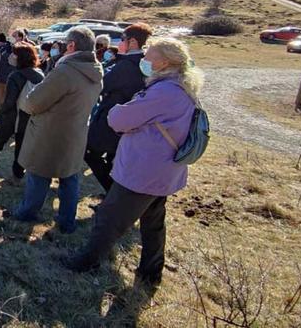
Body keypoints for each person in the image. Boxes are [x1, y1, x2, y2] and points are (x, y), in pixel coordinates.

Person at [66, 38, 203, 287]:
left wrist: (116, 109)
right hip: (162, 170)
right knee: (153, 222)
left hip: (143, 170)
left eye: (148, 57)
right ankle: (150, 273)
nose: (144, 61)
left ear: (164, 62)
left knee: (109, 217)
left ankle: (87, 261)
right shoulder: (181, 87)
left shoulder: (163, 92)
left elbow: (119, 119)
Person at [7, 26, 102, 233]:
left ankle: (27, 212)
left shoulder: (65, 71)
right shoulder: (96, 70)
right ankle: (67, 221)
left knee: (38, 173)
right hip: (76, 132)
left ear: (71, 45)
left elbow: (33, 103)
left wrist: (27, 100)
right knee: (70, 176)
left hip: (50, 133)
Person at [84, 23, 153, 192]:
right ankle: (114, 195)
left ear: (133, 42)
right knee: (115, 158)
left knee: (91, 153)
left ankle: (112, 193)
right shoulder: (142, 64)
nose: (119, 43)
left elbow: (103, 85)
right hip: (128, 120)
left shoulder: (126, 66)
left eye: (122, 39)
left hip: (112, 118)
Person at [0, 43, 45, 182]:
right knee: (21, 147)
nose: (10, 56)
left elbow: (10, 102)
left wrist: (1, 111)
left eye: (13, 54)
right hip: (29, 117)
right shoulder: (39, 73)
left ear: (19, 57)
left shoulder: (16, 76)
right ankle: (17, 176)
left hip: (11, 118)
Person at [0, 33, 13, 110]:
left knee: (1, 97)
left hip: (4, 78)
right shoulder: (3, 49)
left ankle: (0, 114)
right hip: (1, 76)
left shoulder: (7, 50)